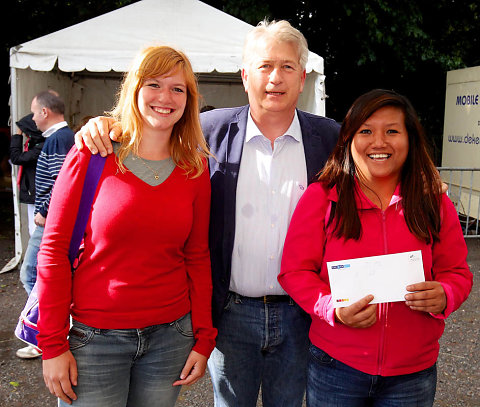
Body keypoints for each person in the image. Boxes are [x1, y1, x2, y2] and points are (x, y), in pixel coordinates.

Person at [75, 20, 339, 407]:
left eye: (287, 67)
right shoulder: (205, 131)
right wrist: (103, 126)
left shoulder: (331, 138)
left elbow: (380, 170)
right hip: (231, 313)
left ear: (302, 78)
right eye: (265, 66)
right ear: (245, 75)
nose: (275, 78)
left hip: (302, 314)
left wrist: (425, 182)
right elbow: (151, 125)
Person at [36, 45, 216, 407]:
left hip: (170, 338)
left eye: (177, 89)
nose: (165, 97)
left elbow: (196, 256)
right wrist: (52, 345)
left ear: (189, 100)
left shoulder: (195, 169)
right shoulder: (91, 154)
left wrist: (203, 337)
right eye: (154, 84)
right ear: (134, 88)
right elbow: (53, 251)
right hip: (94, 341)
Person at [278, 89, 473, 407]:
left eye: (392, 131)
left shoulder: (432, 201)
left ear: (410, 139)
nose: (379, 142)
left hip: (412, 373)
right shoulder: (321, 197)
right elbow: (295, 271)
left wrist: (446, 294)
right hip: (336, 367)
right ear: (348, 140)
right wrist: (333, 309)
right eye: (366, 131)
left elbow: (458, 272)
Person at [16, 90, 74, 360]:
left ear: (44, 112)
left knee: (31, 274)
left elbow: (63, 182)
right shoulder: (59, 138)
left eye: (33, 112)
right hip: (51, 218)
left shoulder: (59, 139)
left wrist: (44, 210)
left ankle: (43, 333)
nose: (33, 119)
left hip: (50, 220)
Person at [9, 113, 45, 236]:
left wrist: (17, 136)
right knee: (34, 228)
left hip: (38, 192)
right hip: (34, 191)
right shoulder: (36, 144)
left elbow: (16, 158)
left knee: (36, 230)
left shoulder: (41, 146)